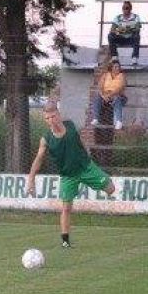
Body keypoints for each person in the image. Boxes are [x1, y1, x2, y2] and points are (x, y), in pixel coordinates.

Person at [27, 102, 116, 248]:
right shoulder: (46, 139)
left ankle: (88, 183)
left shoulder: (70, 125)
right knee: (66, 208)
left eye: (53, 116)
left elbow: (78, 140)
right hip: (68, 176)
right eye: (47, 118)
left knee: (111, 189)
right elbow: (38, 159)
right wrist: (31, 179)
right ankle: (65, 241)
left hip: (86, 168)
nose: (51, 120)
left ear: (59, 114)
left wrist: (86, 153)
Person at [91, 59, 127, 130]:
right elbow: (100, 86)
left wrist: (109, 95)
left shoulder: (122, 76)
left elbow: (120, 88)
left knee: (117, 99)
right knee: (96, 98)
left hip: (118, 95)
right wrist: (103, 95)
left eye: (118, 67)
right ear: (111, 68)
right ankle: (95, 118)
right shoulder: (106, 75)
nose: (118, 68)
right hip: (105, 96)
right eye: (115, 67)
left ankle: (119, 121)